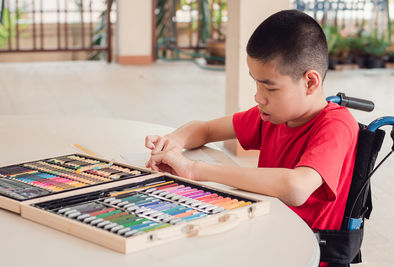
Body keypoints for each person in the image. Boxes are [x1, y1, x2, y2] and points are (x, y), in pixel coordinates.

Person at [145, 9, 359, 266]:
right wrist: (174, 140)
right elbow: (206, 129)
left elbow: (296, 187)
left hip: (300, 253)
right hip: (266, 235)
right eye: (256, 84)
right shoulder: (273, 116)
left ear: (310, 82)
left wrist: (195, 170)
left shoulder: (337, 125)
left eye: (269, 87)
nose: (258, 97)